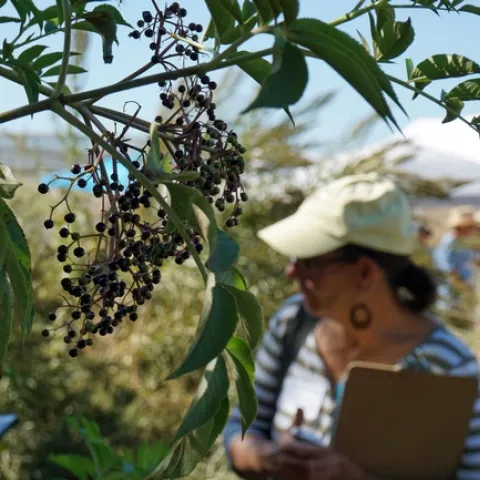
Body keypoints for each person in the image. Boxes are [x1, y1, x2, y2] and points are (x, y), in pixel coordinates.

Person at [223, 173, 480, 480]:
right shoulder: (293, 322)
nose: (292, 271)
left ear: (365, 273)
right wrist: (268, 458)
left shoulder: (451, 371)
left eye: (310, 261)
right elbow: (242, 428)